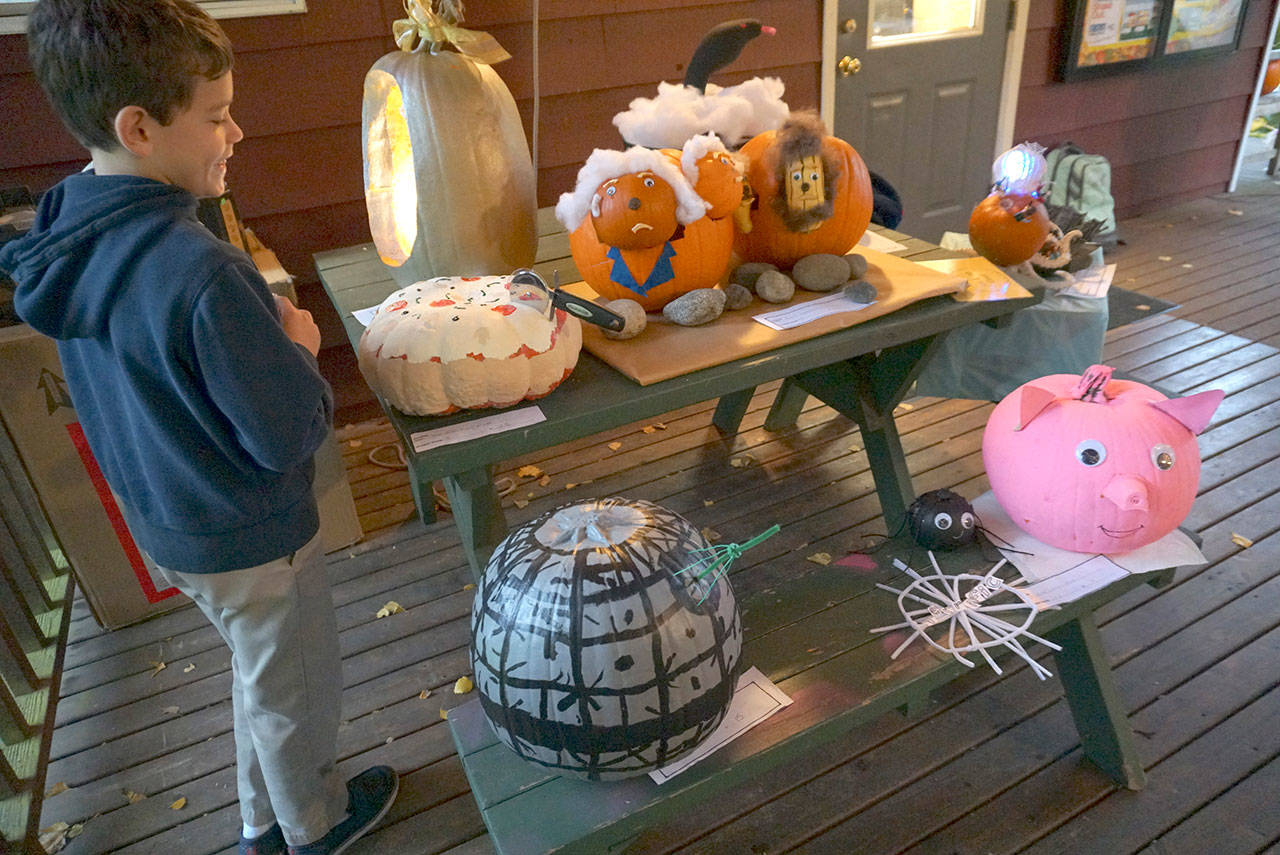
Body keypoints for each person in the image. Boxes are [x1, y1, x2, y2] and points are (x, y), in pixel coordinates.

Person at [0, 2, 398, 853]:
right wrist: (299, 346)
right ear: (139, 128)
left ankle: (263, 820)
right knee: (296, 687)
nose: (236, 132)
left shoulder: (70, 225)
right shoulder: (202, 271)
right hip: (251, 533)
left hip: (170, 522)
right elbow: (284, 435)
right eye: (216, 116)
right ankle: (313, 826)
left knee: (263, 674)